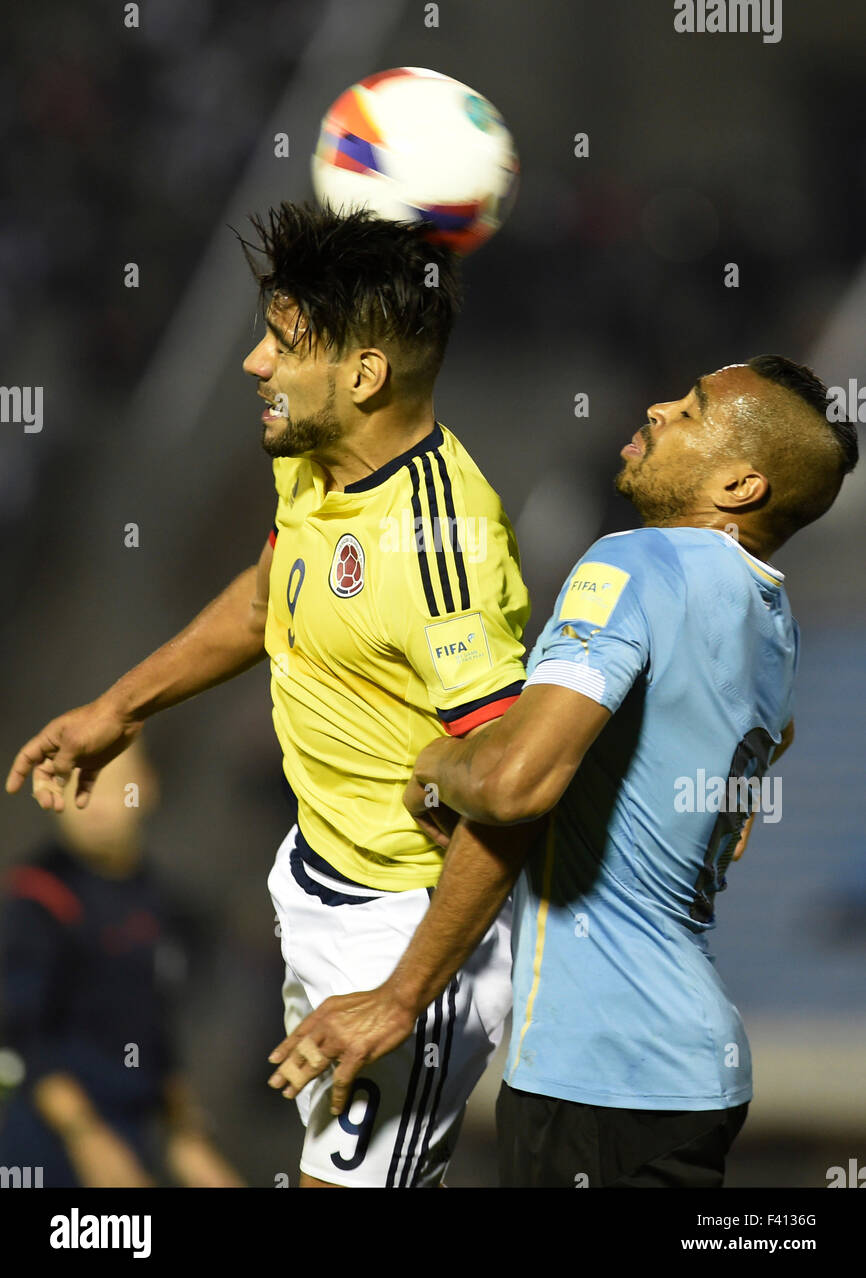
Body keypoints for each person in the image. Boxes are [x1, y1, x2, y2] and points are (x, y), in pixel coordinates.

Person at [6, 203, 530, 1188]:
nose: (252, 363)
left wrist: (399, 991)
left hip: (403, 932)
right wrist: (121, 707)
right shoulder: (319, 466)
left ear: (364, 374)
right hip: (321, 886)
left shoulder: (439, 544)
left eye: (283, 344)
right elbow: (266, 593)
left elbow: (508, 789)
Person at [267, 355, 858, 1188]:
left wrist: (435, 763)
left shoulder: (640, 565)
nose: (656, 408)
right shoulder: (772, 625)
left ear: (740, 486)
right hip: (691, 1070)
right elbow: (750, 794)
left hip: (601, 1070)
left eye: (689, 412)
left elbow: (513, 785)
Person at [0, 743, 243, 1187]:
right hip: (49, 1142)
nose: (91, 801)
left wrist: (186, 1136)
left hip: (135, 1132)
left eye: (111, 785)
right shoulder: (38, 895)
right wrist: (87, 1139)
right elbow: (27, 1036)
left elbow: (155, 1033)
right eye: (74, 785)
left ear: (147, 787)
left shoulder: (161, 900)